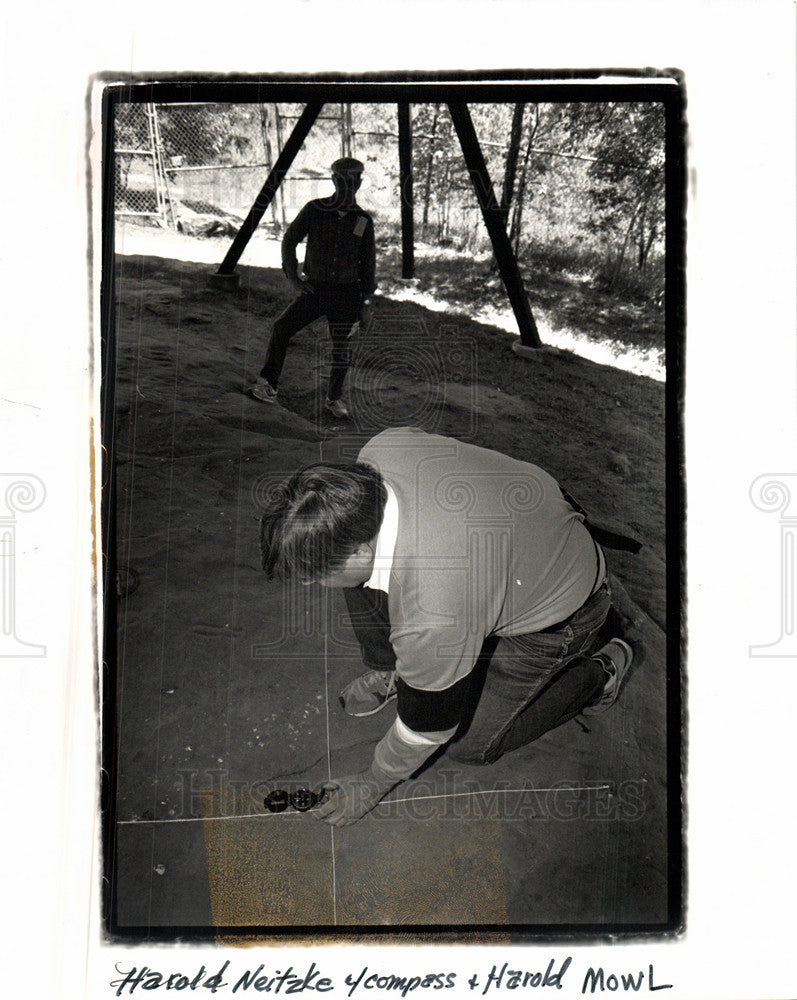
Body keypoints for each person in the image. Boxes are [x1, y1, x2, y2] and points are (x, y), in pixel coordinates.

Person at [259, 427, 634, 826]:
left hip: (560, 608)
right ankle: (396, 672)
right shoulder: (378, 453)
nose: (313, 584)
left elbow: (429, 727)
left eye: (315, 577)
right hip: (520, 542)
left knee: (469, 744)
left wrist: (372, 783)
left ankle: (602, 670)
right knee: (359, 581)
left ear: (361, 550)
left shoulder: (432, 608)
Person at [250, 157, 376, 419]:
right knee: (282, 327)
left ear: (360, 183)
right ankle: (269, 385)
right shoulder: (314, 210)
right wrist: (293, 276)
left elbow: (368, 266)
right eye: (342, 182)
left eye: (353, 183)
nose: (347, 188)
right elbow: (290, 239)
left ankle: (333, 399)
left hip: (347, 295)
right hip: (316, 290)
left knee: (341, 349)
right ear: (333, 181)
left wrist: (365, 305)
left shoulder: (362, 220)